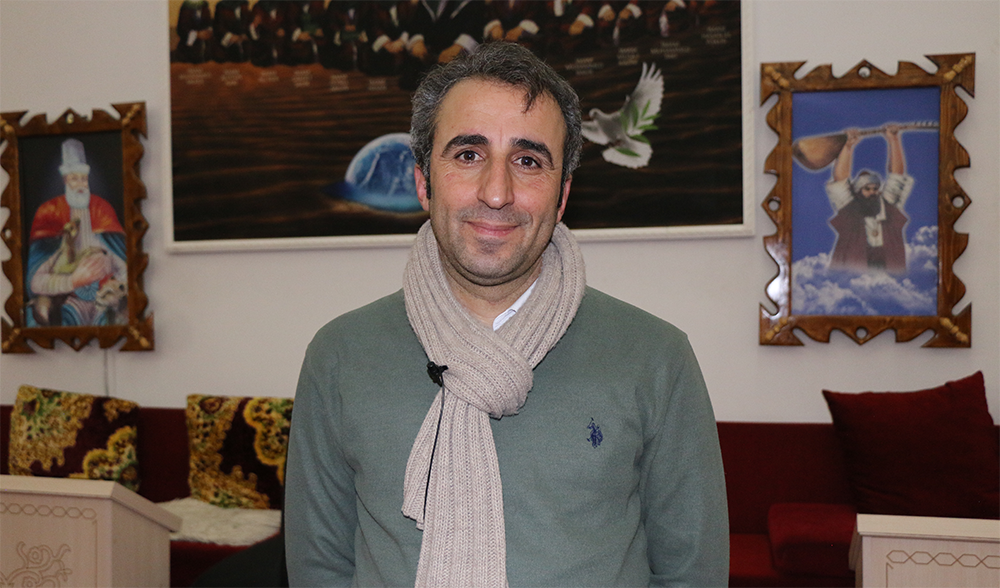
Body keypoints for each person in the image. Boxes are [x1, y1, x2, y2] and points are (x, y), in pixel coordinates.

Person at [284, 41, 728, 587]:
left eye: (528, 161)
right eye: (468, 155)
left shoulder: (655, 357)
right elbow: (319, 569)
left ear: (562, 197)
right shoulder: (339, 356)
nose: (497, 192)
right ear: (423, 182)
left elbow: (693, 574)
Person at [26, 138, 128, 327]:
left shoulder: (103, 209)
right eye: (74, 178)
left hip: (106, 300)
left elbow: (125, 268)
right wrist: (73, 281)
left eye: (84, 178)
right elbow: (35, 282)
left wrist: (115, 286)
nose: (81, 184)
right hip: (67, 303)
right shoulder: (49, 212)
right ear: (65, 180)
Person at [825, 125, 914, 274]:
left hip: (889, 269)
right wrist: (847, 147)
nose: (872, 192)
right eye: (867, 189)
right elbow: (840, 179)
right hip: (854, 269)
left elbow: (897, 175)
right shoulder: (849, 207)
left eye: (875, 189)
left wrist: (893, 140)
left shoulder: (888, 206)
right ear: (858, 191)